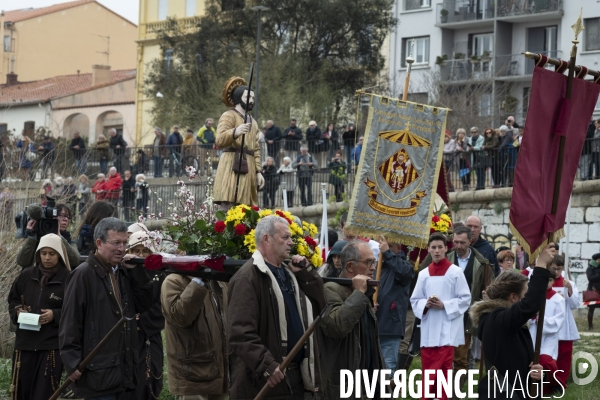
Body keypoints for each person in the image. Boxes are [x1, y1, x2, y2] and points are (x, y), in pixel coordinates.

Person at [227, 215, 325, 400]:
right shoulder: (247, 278)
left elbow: (320, 306)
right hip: (263, 381)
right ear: (267, 239)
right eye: (285, 237)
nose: (291, 242)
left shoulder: (291, 274)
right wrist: (267, 366)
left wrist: (306, 275)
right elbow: (240, 333)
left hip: (294, 378)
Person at [60, 218, 153, 400]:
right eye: (116, 243)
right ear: (99, 243)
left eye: (125, 243)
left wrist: (137, 273)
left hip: (122, 369)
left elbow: (144, 304)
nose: (122, 248)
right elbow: (70, 321)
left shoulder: (124, 272)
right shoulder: (83, 275)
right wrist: (72, 363)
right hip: (96, 370)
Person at [470, 243, 556, 399]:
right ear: (513, 297)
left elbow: (516, 364)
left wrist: (536, 374)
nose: (527, 299)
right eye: (525, 295)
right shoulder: (498, 320)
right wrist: (541, 265)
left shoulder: (508, 322)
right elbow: (531, 305)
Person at [161, 235, 228, 400]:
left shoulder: (218, 280)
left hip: (220, 369)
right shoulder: (173, 281)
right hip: (194, 373)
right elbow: (180, 316)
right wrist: (198, 281)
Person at [318, 241, 384, 399]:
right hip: (344, 385)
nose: (373, 268)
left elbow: (371, 342)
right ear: (349, 267)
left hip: (367, 384)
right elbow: (337, 326)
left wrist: (384, 377)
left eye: (373, 262)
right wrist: (359, 294)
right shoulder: (331, 289)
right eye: (368, 262)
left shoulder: (362, 292)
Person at [8, 234, 70, 400]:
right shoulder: (26, 275)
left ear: (60, 255)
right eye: (43, 253)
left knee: (44, 393)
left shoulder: (69, 278)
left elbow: (75, 309)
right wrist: (18, 311)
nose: (47, 258)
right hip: (25, 344)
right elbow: (13, 299)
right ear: (38, 254)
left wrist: (55, 315)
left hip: (51, 345)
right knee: (22, 391)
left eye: (52, 253)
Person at [410, 233, 471, 400]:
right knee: (429, 366)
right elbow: (415, 299)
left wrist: (445, 305)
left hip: (447, 328)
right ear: (428, 249)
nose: (436, 251)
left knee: (443, 366)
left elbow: (465, 298)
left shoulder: (455, 272)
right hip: (429, 327)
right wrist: (426, 304)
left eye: (440, 247)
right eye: (433, 248)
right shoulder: (423, 274)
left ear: (446, 248)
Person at [121, 232, 165, 400]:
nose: (139, 255)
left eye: (144, 251)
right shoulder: (122, 272)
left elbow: (163, 306)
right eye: (135, 250)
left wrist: (143, 319)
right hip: (125, 334)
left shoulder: (161, 275)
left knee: (148, 379)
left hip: (149, 335)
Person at [213, 78, 264, 208]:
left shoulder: (254, 122)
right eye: (248, 97)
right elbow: (219, 140)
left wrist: (258, 171)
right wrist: (235, 132)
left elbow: (256, 148)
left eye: (253, 97)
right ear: (238, 98)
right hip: (231, 163)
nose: (251, 100)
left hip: (249, 166)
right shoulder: (228, 115)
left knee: (246, 206)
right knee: (229, 201)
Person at [375, 236, 414, 373]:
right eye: (383, 246)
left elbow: (404, 273)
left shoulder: (404, 266)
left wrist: (387, 253)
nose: (384, 249)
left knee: (387, 366)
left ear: (398, 248)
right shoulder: (378, 266)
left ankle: (386, 394)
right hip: (375, 323)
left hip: (390, 324)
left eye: (389, 246)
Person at [528, 274, 565, 395]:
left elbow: (559, 320)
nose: (547, 283)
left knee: (545, 361)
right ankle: (534, 386)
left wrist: (542, 320)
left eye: (549, 280)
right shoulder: (532, 297)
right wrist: (533, 317)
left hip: (549, 336)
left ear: (553, 281)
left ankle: (555, 383)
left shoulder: (558, 299)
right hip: (533, 332)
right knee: (532, 360)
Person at [16, 204, 80, 269]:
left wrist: (59, 237)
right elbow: (22, 262)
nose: (66, 219)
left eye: (68, 217)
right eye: (61, 215)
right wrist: (32, 237)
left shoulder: (69, 241)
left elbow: (75, 261)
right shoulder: (37, 239)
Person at [550, 255, 580, 391]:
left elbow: (574, 304)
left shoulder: (569, 283)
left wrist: (569, 289)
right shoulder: (545, 282)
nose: (557, 272)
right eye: (554, 269)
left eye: (559, 269)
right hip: (549, 323)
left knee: (564, 354)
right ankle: (548, 381)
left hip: (565, 324)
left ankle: (560, 382)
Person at [586, 253, 600, 330]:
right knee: (591, 309)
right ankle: (590, 326)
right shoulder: (590, 268)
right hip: (593, 291)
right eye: (598, 260)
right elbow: (590, 278)